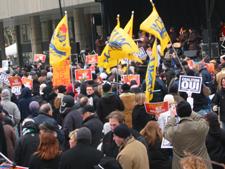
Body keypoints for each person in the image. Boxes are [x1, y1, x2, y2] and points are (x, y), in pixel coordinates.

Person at [164, 101, 212, 169]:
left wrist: (172, 117)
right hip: (201, 165)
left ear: (178, 113)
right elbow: (201, 119)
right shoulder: (201, 127)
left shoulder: (174, 132)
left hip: (181, 166)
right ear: (190, 111)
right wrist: (190, 111)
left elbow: (166, 130)